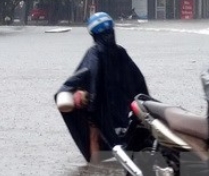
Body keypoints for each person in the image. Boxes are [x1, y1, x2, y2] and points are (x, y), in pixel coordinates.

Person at [55, 12, 149, 163]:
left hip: (98, 108)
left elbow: (84, 76)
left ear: (93, 34)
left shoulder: (94, 53)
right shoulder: (120, 52)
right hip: (122, 108)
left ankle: (95, 171)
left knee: (94, 137)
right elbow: (138, 80)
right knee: (128, 136)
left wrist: (81, 97)